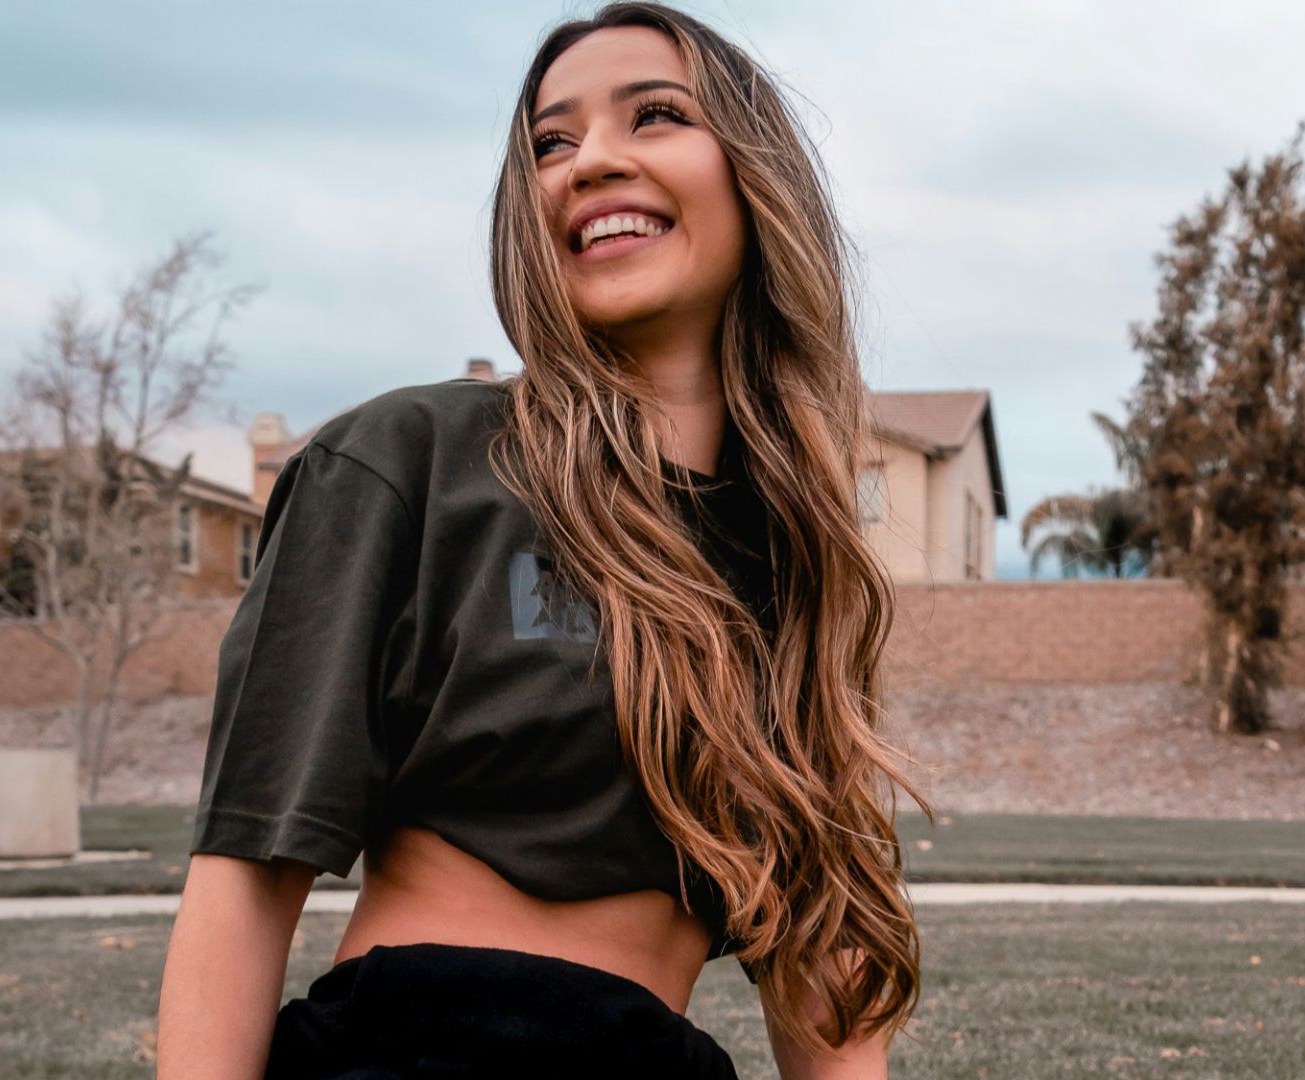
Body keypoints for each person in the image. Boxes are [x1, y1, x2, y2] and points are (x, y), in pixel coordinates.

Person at [155, 3, 931, 1077]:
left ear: (757, 176)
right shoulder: (406, 464)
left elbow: (825, 954)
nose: (591, 160)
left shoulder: (790, 552)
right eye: (551, 142)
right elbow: (246, 872)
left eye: (655, 115)